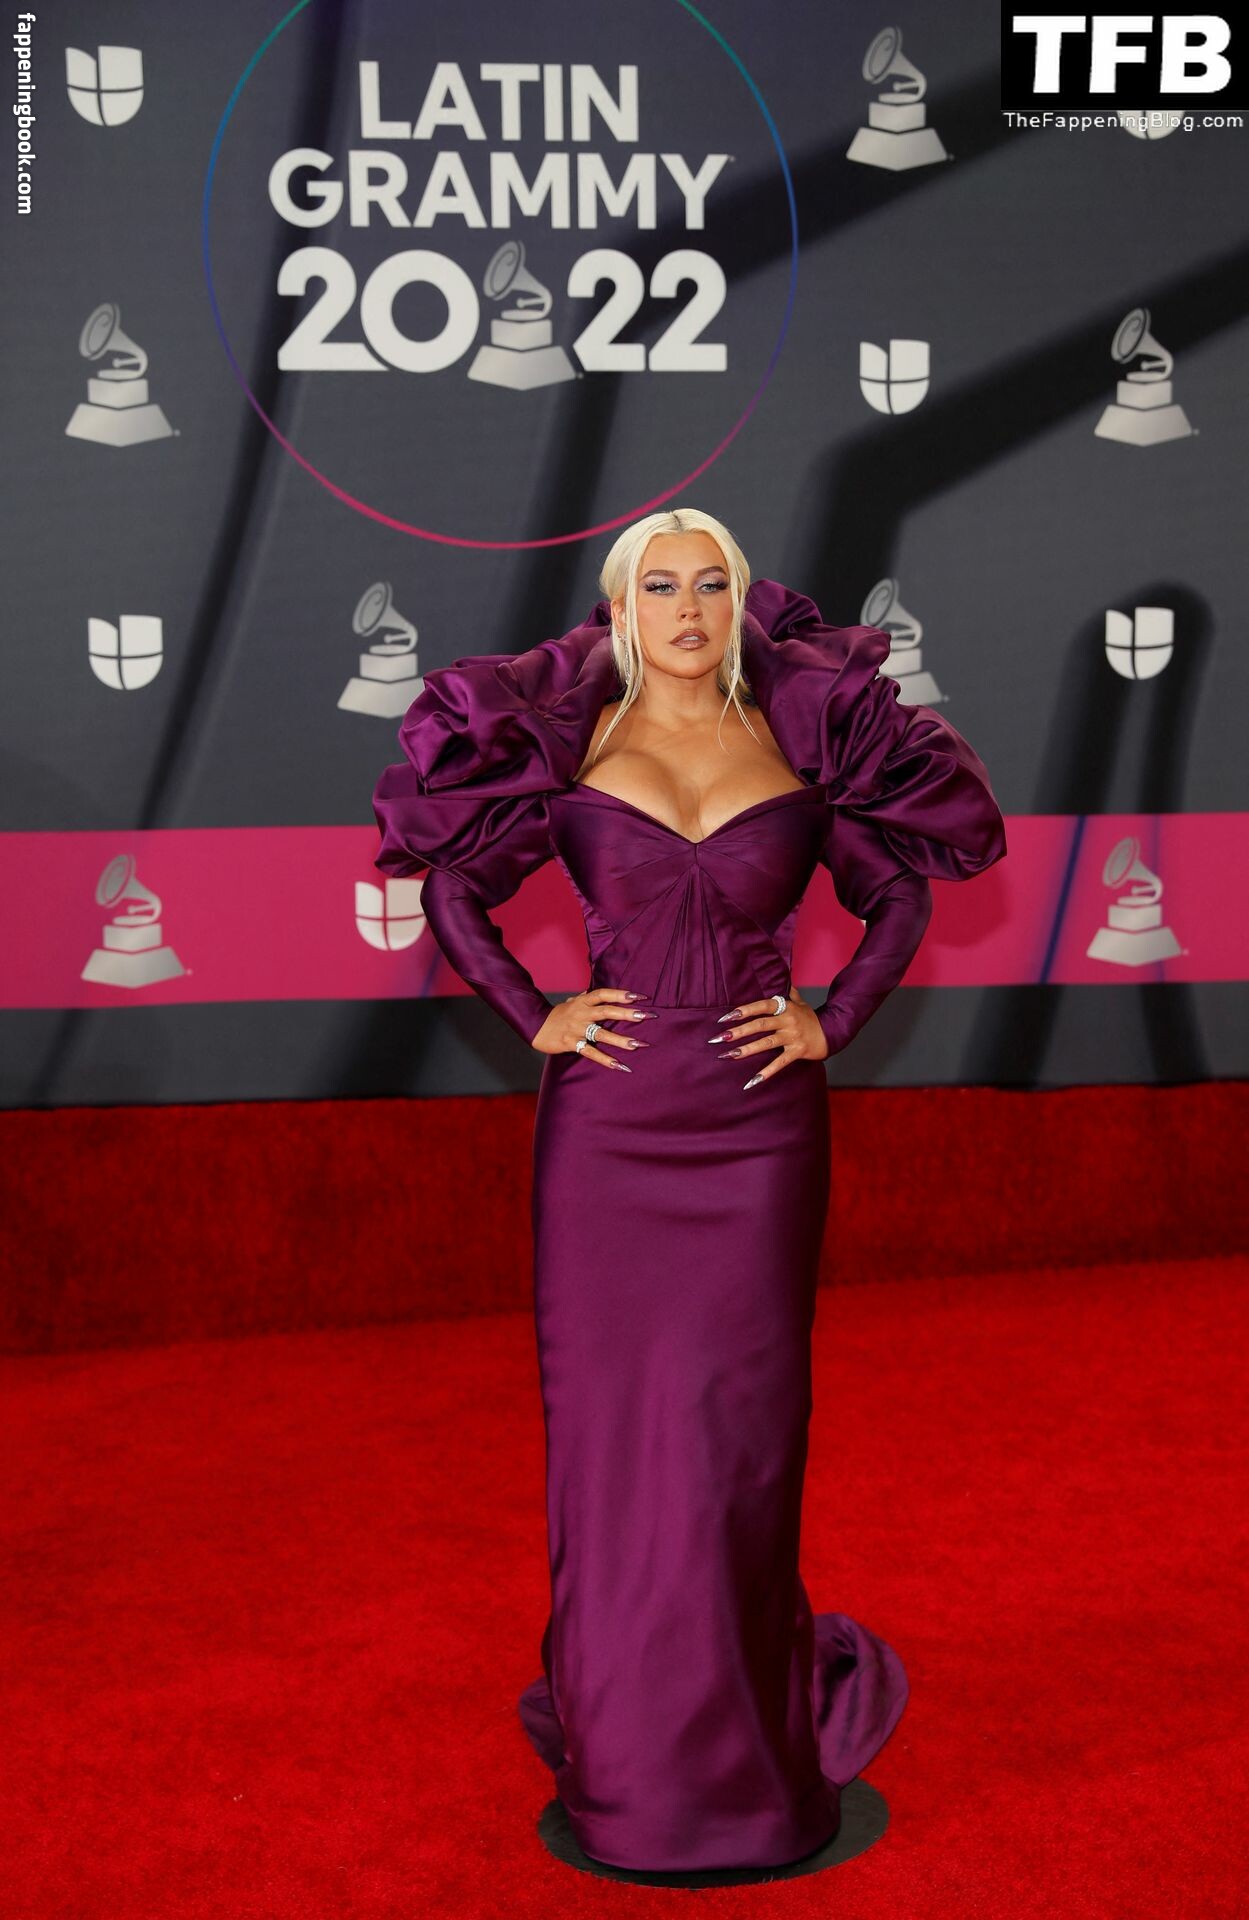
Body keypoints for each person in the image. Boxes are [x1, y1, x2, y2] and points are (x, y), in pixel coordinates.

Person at [372, 507, 1007, 1874]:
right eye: (657, 585)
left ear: (737, 604)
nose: (686, 608)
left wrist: (832, 1018)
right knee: (618, 1442)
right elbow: (453, 888)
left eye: (710, 584)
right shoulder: (572, 749)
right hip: (609, 1132)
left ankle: (745, 1749)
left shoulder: (797, 744)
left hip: (759, 1131)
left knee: (740, 1437)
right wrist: (535, 1011)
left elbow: (898, 893)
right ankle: (634, 1761)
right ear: (618, 608)